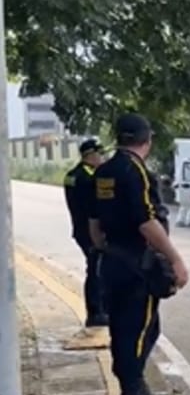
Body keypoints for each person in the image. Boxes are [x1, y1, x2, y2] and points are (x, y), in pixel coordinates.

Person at [88, 113, 189, 395]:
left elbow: (94, 221)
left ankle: (136, 390)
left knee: (132, 328)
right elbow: (147, 221)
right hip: (135, 265)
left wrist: (103, 248)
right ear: (147, 139)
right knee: (135, 330)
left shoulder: (103, 170)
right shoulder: (136, 171)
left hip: (113, 260)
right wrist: (175, 259)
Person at [63, 138, 108, 327]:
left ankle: (97, 310)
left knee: (94, 268)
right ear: (90, 155)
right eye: (100, 154)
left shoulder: (72, 174)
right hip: (90, 231)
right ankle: (96, 312)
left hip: (80, 229)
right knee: (96, 270)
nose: (103, 157)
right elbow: (94, 208)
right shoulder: (88, 179)